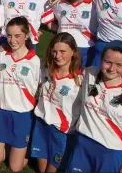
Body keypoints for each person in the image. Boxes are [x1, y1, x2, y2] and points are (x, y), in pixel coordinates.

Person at [67, 41, 122, 173]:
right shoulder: (90, 74)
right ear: (101, 59)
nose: (112, 68)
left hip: (110, 152)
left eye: (119, 65)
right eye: (108, 62)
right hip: (82, 145)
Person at [0, 17, 41, 172]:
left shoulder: (34, 61)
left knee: (15, 167)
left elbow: (37, 88)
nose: (12, 40)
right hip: (0, 111)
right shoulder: (2, 56)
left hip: (22, 114)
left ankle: (25, 150)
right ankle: (13, 148)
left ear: (26, 35)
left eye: (17, 35)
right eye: (9, 35)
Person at [31, 32, 83, 172]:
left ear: (73, 51)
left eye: (62, 52)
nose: (57, 56)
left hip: (62, 131)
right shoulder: (46, 70)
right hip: (41, 124)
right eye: (54, 51)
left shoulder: (80, 81)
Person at [49, 0, 96, 67]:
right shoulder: (59, 3)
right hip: (61, 51)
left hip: (86, 51)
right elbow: (50, 23)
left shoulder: (95, 4)